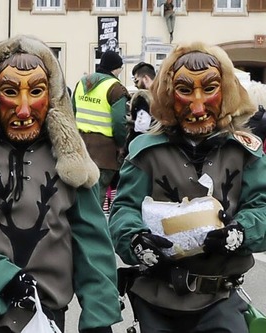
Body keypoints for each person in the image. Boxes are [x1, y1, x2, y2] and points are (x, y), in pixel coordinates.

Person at [0, 35, 120, 333]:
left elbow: (91, 243)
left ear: (51, 96)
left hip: (45, 312)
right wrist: (2, 279)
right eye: (10, 92)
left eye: (36, 91)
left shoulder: (71, 164)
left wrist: (99, 316)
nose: (24, 109)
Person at [109, 42, 266, 333]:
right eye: (185, 90)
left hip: (221, 298)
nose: (197, 105)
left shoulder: (246, 152)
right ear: (169, 94)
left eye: (209, 89)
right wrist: (137, 241)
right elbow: (123, 210)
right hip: (157, 298)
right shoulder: (145, 152)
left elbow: (263, 207)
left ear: (226, 92)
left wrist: (241, 231)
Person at [73, 50, 130, 207]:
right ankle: (92, 230)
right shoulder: (115, 88)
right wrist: (121, 145)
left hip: (80, 149)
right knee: (96, 202)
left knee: (77, 198)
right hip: (104, 153)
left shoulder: (81, 83)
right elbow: (119, 122)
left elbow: (72, 113)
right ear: (116, 68)